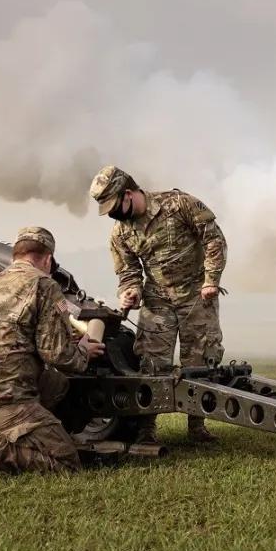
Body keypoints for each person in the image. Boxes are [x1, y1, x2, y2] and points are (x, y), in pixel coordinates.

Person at [0, 227, 105, 483]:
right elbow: (58, 355)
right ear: (48, 259)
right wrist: (84, 350)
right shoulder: (45, 285)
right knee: (67, 462)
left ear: (15, 255)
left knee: (58, 385)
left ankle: (29, 431)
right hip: (0, 397)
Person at [90, 165, 228, 443]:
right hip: (157, 300)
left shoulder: (179, 204)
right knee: (151, 364)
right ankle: (146, 430)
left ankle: (197, 428)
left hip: (196, 295)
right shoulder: (120, 233)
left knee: (200, 360)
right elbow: (128, 272)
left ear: (128, 193)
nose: (114, 215)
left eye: (115, 207)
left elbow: (214, 240)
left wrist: (211, 280)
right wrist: (130, 292)